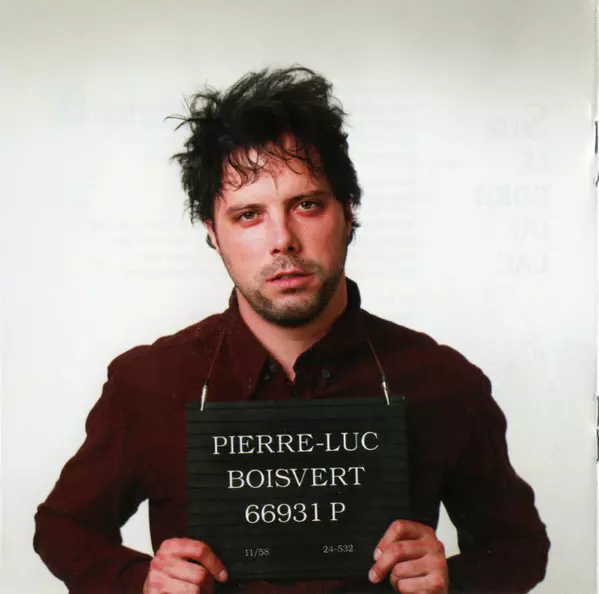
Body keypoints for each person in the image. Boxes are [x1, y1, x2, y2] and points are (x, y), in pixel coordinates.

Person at [34, 66, 549, 594]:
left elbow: (520, 545)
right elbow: (62, 527)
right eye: (248, 215)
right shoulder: (147, 382)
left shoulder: (443, 380)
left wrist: (452, 582)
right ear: (213, 232)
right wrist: (141, 582)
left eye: (307, 205)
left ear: (348, 213)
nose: (282, 239)